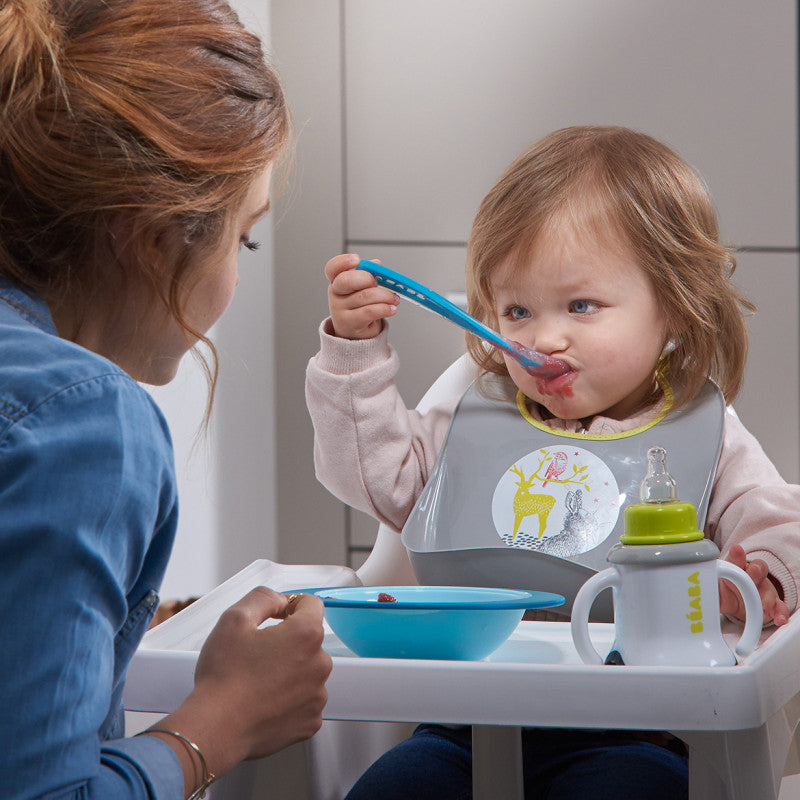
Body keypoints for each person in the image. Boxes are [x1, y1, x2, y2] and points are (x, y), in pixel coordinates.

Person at [305, 126, 800, 799]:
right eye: (517, 309)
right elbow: (369, 473)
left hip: (634, 733)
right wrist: (354, 352)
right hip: (462, 728)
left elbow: (776, 518)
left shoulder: (701, 435)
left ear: (677, 309)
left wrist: (766, 573)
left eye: (582, 305)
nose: (544, 336)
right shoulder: (472, 419)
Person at [0, 1, 331, 798]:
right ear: (152, 236)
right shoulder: (80, 419)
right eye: (241, 238)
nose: (239, 277)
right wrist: (223, 720)